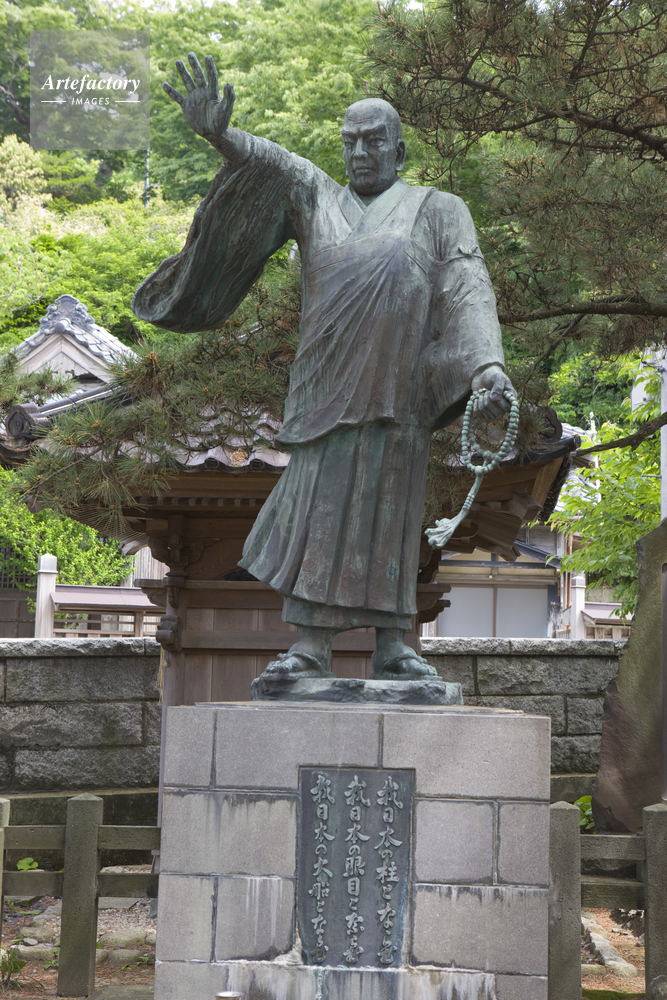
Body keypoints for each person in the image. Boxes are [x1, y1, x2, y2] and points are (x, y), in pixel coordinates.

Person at [133, 53, 516, 680]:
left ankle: (394, 645)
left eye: (374, 141)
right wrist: (220, 136)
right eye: (350, 141)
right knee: (317, 510)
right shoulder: (316, 197)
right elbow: (273, 163)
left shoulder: (440, 210)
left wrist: (485, 368)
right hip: (325, 387)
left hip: (400, 390)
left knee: (391, 512)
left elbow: (467, 288)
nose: (360, 152)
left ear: (398, 150)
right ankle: (310, 644)